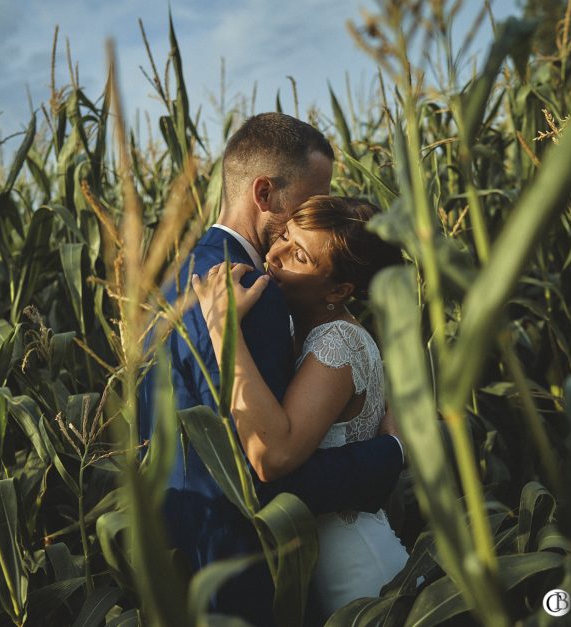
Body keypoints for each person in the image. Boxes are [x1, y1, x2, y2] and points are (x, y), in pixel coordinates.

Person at [137, 113, 405, 626]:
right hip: (241, 565)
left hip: (179, 553)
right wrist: (388, 453)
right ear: (265, 193)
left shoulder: (172, 280)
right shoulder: (254, 295)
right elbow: (265, 465)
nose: (318, 211)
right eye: (310, 198)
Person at [191, 195, 409, 619]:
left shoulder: (337, 344)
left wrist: (222, 329)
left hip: (359, 574)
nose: (275, 255)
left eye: (300, 255)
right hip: (322, 567)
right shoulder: (301, 327)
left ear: (339, 289)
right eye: (286, 236)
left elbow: (272, 455)